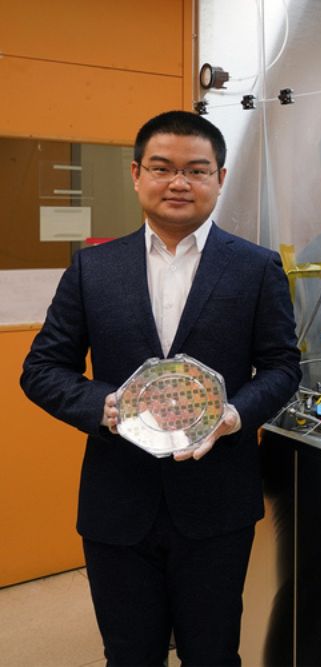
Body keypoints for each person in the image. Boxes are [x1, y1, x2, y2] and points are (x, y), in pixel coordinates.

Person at [21, 110, 301, 666]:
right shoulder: (93, 269)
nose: (179, 182)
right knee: (128, 653)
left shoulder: (255, 268)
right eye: (163, 168)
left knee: (214, 651)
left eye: (197, 170)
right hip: (118, 499)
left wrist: (234, 415)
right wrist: (107, 409)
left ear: (221, 178)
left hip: (217, 500)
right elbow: (42, 368)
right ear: (136, 174)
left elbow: (282, 367)